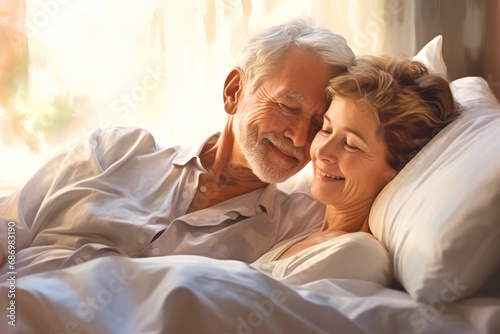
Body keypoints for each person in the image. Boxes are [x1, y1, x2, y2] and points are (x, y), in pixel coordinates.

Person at [0, 18, 355, 272]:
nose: (299, 138)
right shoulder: (113, 149)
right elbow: (10, 230)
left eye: (318, 125)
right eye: (288, 107)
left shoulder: (302, 222)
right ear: (234, 92)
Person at [251, 54, 462, 286]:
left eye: (351, 144)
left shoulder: (357, 254)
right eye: (326, 129)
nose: (321, 151)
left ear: (398, 167)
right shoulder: (306, 230)